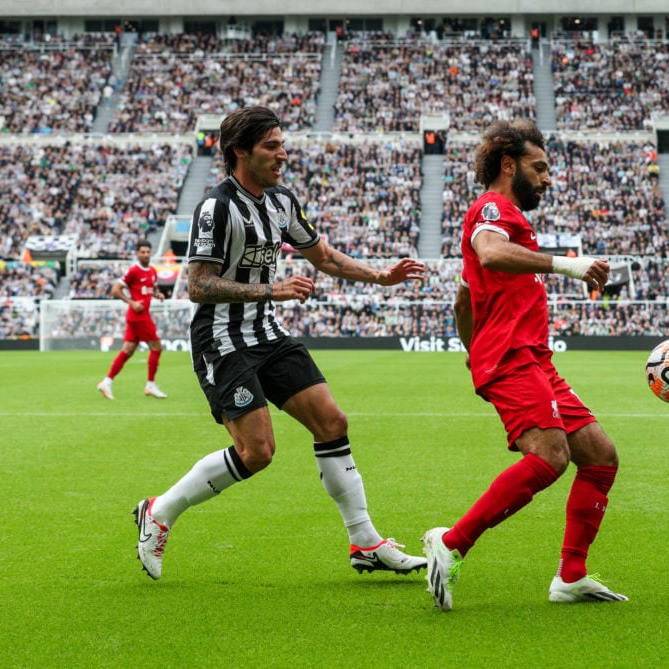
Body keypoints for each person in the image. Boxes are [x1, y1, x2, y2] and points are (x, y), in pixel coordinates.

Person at [133, 106, 427, 580]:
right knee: (258, 453)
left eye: (281, 144)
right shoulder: (216, 207)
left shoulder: (281, 201)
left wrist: (380, 276)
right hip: (223, 339)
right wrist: (272, 288)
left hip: (268, 333)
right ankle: (160, 510)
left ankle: (365, 542)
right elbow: (199, 285)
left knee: (332, 421)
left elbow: (323, 256)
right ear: (240, 153)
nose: (282, 154)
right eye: (271, 146)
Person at [422, 119, 627, 611]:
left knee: (599, 457)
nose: (548, 178)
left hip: (531, 359)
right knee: (551, 457)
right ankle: (450, 545)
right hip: (513, 359)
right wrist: (567, 264)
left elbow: (463, 302)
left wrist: (477, 355)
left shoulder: (512, 222)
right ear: (509, 165)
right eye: (540, 168)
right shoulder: (492, 209)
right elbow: (490, 255)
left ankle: (571, 576)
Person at [97, 240, 168, 400]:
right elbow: (116, 289)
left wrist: (158, 294)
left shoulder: (152, 271)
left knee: (128, 350)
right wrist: (132, 302)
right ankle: (150, 385)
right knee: (157, 347)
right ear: (137, 253)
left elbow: (153, 288)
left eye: (147, 252)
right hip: (139, 316)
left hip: (137, 317)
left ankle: (106, 382)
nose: (145, 254)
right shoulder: (133, 271)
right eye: (142, 252)